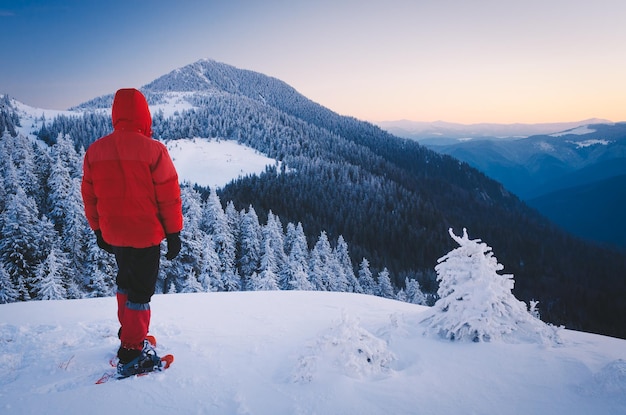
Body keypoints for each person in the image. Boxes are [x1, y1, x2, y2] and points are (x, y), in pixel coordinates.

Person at [81, 88, 183, 376]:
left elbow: (90, 196)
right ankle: (132, 351)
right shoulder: (154, 150)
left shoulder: (95, 150)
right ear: (144, 115)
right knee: (141, 291)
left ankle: (129, 335)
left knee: (125, 282)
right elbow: (169, 196)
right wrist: (174, 233)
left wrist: (98, 229)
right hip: (145, 236)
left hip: (116, 236)